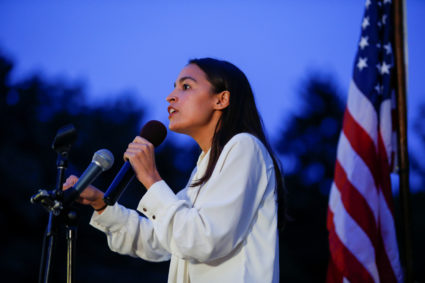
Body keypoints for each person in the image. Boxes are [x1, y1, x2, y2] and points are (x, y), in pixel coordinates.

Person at [63, 58, 286, 283]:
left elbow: (203, 240)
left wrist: (151, 178)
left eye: (186, 86)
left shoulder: (244, 146)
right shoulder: (204, 167)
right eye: (174, 86)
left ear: (221, 99)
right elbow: (160, 240)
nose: (170, 96)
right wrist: (100, 202)